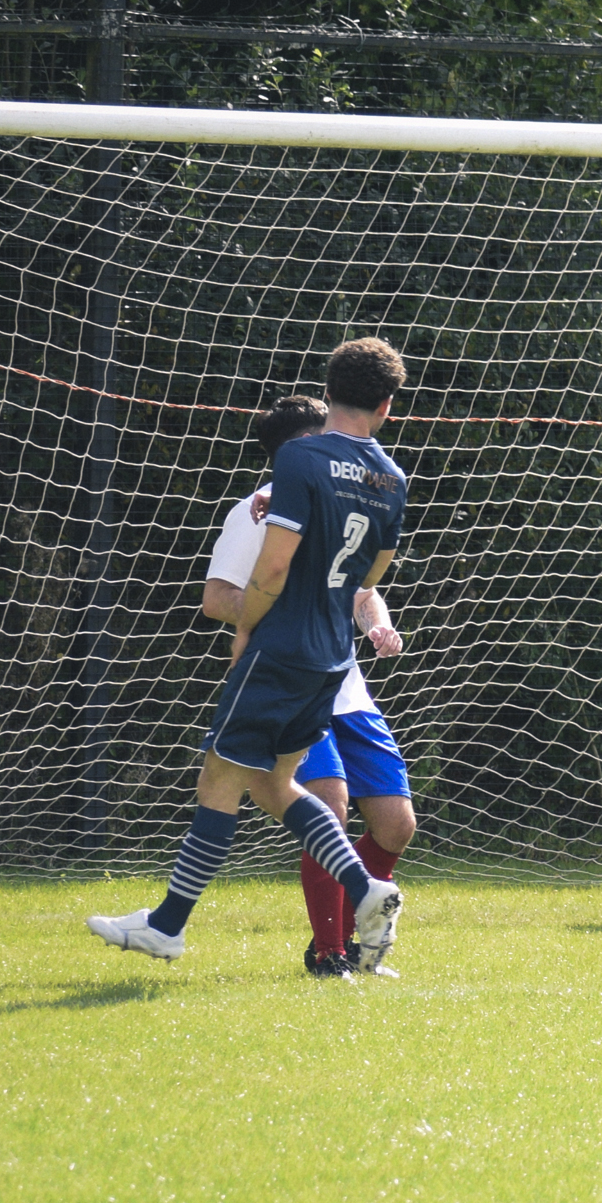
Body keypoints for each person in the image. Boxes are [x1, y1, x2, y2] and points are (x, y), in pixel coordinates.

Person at [88, 339, 409, 969]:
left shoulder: (300, 459)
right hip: (329, 656)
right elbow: (370, 574)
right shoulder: (391, 479)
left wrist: (246, 632)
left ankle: (170, 927)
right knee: (280, 786)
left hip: (281, 648)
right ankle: (363, 890)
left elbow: (272, 570)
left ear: (330, 386)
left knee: (219, 779)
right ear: (387, 405)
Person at [203, 396, 416, 978]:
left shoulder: (343, 499)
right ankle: (329, 954)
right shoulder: (255, 510)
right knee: (331, 804)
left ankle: (359, 936)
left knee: (397, 822)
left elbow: (362, 585)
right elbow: (216, 598)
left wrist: (376, 623)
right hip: (292, 678)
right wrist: (281, 609)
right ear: (303, 447)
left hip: (345, 683)